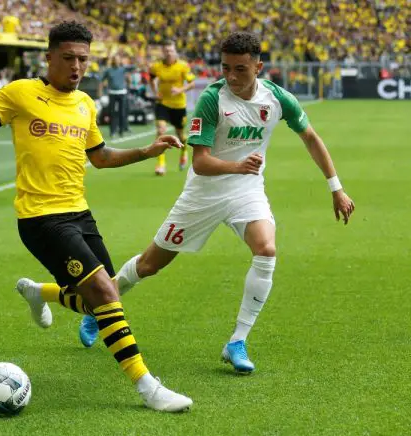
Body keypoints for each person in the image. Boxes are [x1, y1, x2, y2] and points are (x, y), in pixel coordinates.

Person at [0, 21, 192, 413]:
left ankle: (39, 292)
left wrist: (146, 152)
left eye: (83, 59)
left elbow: (100, 158)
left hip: (79, 213)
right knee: (104, 292)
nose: (76, 66)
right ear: (48, 57)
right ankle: (148, 387)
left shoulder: (85, 104)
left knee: (103, 300)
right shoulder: (20, 93)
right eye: (68, 58)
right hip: (40, 218)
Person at [76, 31, 356, 372]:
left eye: (240, 69)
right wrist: (238, 166)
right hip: (203, 193)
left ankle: (237, 341)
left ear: (258, 67)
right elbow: (200, 163)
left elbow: (310, 137)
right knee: (150, 265)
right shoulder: (212, 99)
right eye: (225, 68)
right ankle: (99, 308)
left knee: (266, 249)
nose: (231, 76)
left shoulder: (277, 99)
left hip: (246, 191)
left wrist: (336, 188)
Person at [149, 40, 196, 176]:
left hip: (178, 105)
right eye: (166, 51)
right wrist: (155, 92)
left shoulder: (183, 66)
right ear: (163, 52)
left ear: (175, 51)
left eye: (171, 50)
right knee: (161, 130)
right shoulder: (156, 66)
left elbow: (192, 83)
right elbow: (151, 78)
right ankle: (161, 164)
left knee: (181, 135)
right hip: (163, 103)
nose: (169, 53)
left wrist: (180, 89)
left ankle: (184, 150)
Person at [99, 53, 133, 139]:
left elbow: (133, 68)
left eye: (118, 59)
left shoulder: (123, 69)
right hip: (112, 93)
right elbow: (101, 81)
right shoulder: (108, 70)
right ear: (113, 61)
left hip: (122, 93)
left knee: (122, 112)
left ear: (120, 60)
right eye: (115, 59)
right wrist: (100, 93)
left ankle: (121, 131)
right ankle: (112, 131)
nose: (116, 61)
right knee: (112, 113)